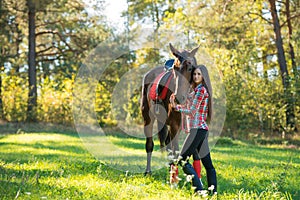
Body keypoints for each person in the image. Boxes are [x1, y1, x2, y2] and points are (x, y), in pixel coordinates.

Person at [170, 64, 217, 195]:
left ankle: (200, 190)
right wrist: (176, 99)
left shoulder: (201, 91)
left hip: (197, 130)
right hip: (201, 130)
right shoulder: (197, 90)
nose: (196, 76)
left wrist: (176, 108)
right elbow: (187, 99)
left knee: (182, 159)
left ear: (203, 77)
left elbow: (191, 111)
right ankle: (213, 193)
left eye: (199, 75)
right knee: (208, 164)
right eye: (194, 74)